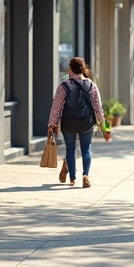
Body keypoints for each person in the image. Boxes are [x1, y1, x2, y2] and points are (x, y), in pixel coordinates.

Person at [47, 57, 105, 188]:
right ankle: (86, 175)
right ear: (83, 68)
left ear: (70, 69)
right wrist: (103, 124)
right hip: (87, 122)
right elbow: (98, 106)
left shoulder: (64, 86)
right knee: (86, 149)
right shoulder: (91, 85)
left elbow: (56, 107)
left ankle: (72, 178)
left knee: (70, 149)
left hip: (69, 123)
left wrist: (52, 124)